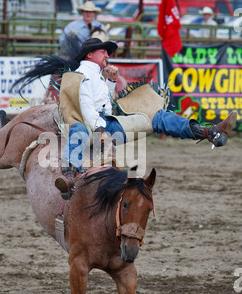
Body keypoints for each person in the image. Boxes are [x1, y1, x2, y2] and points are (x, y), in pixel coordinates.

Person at [54, 38, 237, 199]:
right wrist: (100, 129)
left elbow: (105, 107)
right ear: (89, 54)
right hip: (93, 127)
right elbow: (86, 108)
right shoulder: (82, 74)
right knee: (79, 130)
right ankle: (69, 175)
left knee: (157, 117)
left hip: (105, 125)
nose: (107, 55)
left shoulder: (96, 75)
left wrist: (110, 82)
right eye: (103, 51)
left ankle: (208, 131)